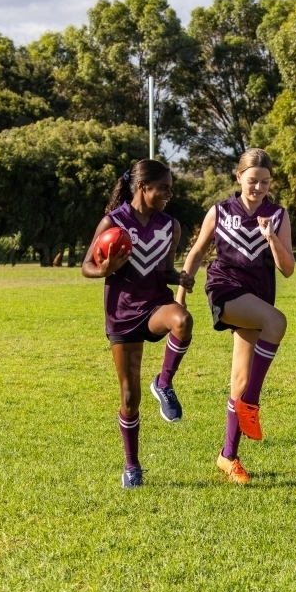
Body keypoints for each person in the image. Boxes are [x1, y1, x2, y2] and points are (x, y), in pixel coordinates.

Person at [177, 148, 295, 484]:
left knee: (239, 382)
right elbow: (197, 252)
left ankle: (228, 456)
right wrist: (180, 298)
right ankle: (252, 406)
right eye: (253, 180)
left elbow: (287, 269)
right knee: (277, 321)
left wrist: (270, 237)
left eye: (265, 182)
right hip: (225, 289)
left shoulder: (278, 215)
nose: (258, 187)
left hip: (257, 298)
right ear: (238, 176)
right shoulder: (220, 211)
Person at [82, 159, 195, 489]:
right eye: (163, 188)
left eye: (170, 189)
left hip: (155, 304)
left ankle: (164, 382)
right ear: (143, 187)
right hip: (121, 313)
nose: (168, 194)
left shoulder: (170, 226)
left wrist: (179, 277)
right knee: (130, 396)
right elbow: (87, 265)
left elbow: (164, 269)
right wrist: (103, 271)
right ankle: (132, 466)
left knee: (182, 320)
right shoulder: (113, 223)